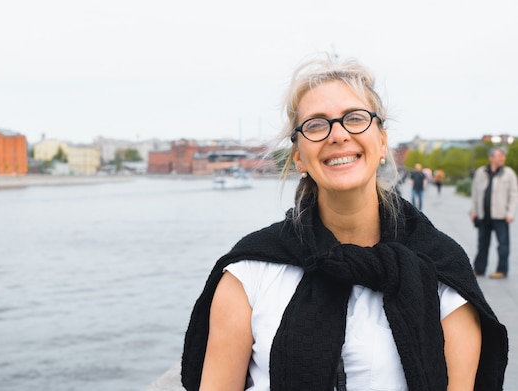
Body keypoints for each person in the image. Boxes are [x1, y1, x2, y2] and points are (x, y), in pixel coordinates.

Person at [182, 55, 507, 391]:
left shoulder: (441, 270)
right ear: (299, 157)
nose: (337, 135)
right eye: (316, 124)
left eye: (354, 118)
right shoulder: (248, 273)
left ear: (382, 142)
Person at [471, 147, 518, 279]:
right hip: (483, 214)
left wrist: (511, 213)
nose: (502, 158)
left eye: (503, 156)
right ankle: (479, 269)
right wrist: (474, 211)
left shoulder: (509, 173)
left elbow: (514, 194)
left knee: (503, 244)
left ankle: (502, 270)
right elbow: (475, 192)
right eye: (499, 156)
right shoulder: (481, 172)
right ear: (491, 158)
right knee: (482, 243)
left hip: (501, 215)